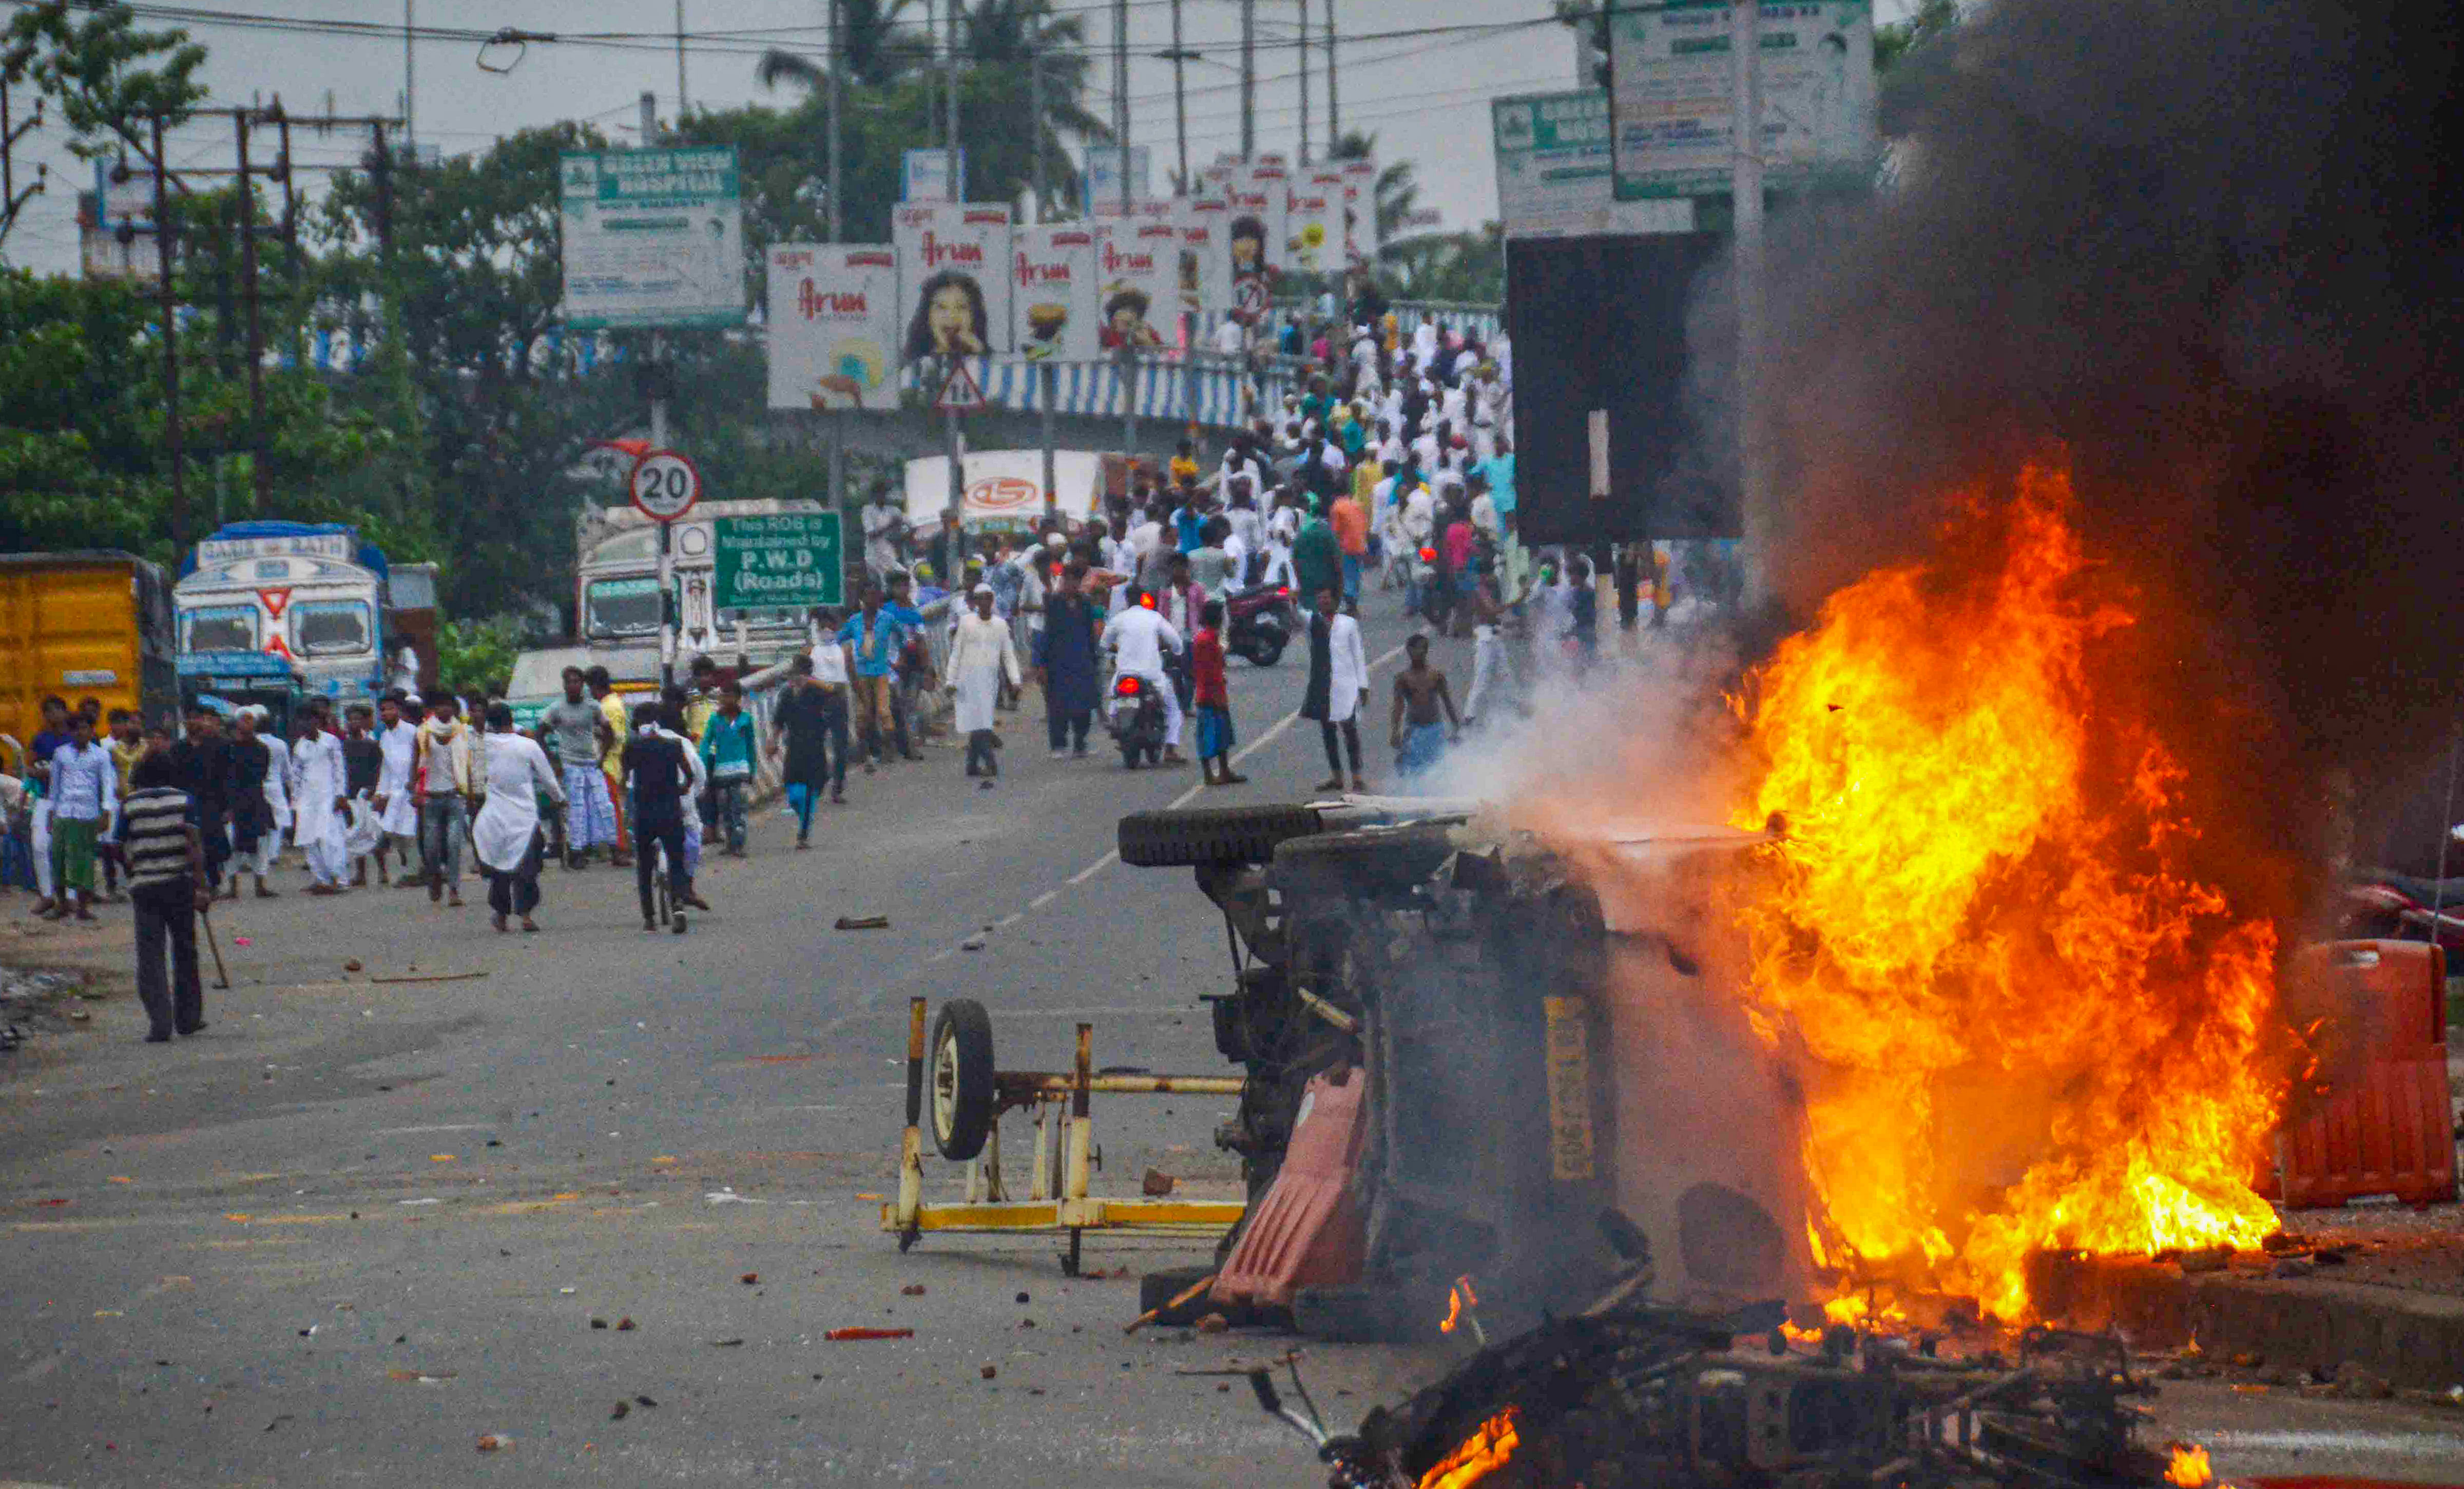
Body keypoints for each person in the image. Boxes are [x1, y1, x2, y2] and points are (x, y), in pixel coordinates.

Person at [117, 751, 211, 1041]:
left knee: (150, 956)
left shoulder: (130, 804)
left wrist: (133, 872)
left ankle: (160, 1022)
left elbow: (121, 846)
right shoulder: (184, 801)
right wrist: (201, 886)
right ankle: (188, 1019)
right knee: (185, 951)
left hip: (145, 888)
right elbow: (194, 846)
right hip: (179, 885)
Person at [473, 701, 564, 934]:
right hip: (524, 817)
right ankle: (525, 915)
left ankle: (501, 915)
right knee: (527, 868)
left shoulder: (484, 745)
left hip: (494, 816)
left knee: (501, 867)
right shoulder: (528, 746)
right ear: (511, 720)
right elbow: (549, 779)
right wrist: (560, 799)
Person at [620, 700, 696, 932]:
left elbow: (624, 779)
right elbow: (689, 776)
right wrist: (681, 788)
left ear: (636, 724)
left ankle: (649, 918)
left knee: (644, 864)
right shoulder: (673, 745)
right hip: (670, 812)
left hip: (644, 814)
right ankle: (679, 907)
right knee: (676, 860)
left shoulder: (632, 747)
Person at [769, 651, 849, 846]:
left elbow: (836, 692)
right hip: (794, 748)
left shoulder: (817, 692)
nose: (796, 677)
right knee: (792, 791)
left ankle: (803, 835)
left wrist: (813, 682)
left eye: (800, 673)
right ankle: (804, 817)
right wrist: (772, 740)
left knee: (809, 792)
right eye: (793, 673)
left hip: (815, 748)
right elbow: (779, 720)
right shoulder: (787, 694)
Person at [43, 710, 116, 921]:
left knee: (84, 859)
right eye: (76, 729)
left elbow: (108, 784)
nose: (80, 733)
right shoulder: (61, 754)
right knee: (58, 857)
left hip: (88, 814)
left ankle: (83, 908)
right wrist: (50, 812)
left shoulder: (101, 755)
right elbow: (54, 785)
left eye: (84, 728)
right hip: (63, 812)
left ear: (92, 731)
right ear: (71, 731)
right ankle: (62, 904)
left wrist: (106, 812)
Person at [1101, 588, 1188, 766]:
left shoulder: (1118, 619)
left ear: (1127, 601)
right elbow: (1176, 642)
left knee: (1114, 699)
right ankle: (1171, 749)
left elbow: (1103, 645)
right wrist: (1178, 652)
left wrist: (1114, 649)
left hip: (1124, 675)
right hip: (1152, 676)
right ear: (1144, 599)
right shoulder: (1155, 617)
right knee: (1173, 709)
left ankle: (1114, 721)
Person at [541, 667, 617, 868]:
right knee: (577, 809)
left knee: (604, 805)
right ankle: (577, 851)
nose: (574, 685)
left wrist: (602, 758)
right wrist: (553, 761)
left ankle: (614, 848)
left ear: (582, 685)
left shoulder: (593, 707)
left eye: (577, 682)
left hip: (592, 763)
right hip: (570, 764)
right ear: (564, 685)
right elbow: (540, 733)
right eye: (570, 682)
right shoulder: (556, 709)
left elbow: (610, 733)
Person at [949, 584, 1023, 785]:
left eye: (988, 599)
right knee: (980, 724)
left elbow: (1008, 655)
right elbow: (956, 653)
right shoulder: (966, 623)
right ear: (975, 602)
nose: (984, 603)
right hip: (967, 681)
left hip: (990, 682)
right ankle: (991, 763)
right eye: (980, 599)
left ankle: (972, 766)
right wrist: (950, 681)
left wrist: (1015, 681)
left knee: (980, 723)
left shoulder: (1000, 625)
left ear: (992, 601)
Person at [1300, 586, 1371, 793]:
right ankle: (1337, 776)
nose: (1323, 602)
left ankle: (1357, 777)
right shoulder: (1311, 622)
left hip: (1345, 684)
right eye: (1319, 599)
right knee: (1328, 732)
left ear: (1335, 601)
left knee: (1350, 731)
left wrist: (1363, 686)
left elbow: (1358, 655)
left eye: (1326, 598)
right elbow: (1293, 610)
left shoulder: (1349, 624)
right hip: (1322, 684)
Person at [1035, 560, 1104, 757]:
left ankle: (1080, 743)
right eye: (1068, 580)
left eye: (1075, 580)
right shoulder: (1055, 604)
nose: (1071, 584)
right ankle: (1058, 745)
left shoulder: (1085, 604)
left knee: (1084, 705)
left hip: (1082, 661)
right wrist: (1041, 664)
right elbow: (1046, 634)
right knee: (1058, 706)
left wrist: (1093, 658)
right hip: (1058, 663)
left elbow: (1090, 634)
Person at [413, 694, 476, 908]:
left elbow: (466, 764)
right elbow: (416, 762)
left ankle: (454, 890)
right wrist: (414, 789)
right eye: (440, 705)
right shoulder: (423, 733)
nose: (445, 710)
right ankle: (435, 878)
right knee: (431, 847)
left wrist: (470, 793)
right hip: (431, 797)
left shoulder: (461, 733)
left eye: (449, 706)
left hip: (454, 796)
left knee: (454, 845)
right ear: (433, 709)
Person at [838, 585, 909, 771]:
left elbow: (903, 637)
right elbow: (839, 639)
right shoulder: (855, 621)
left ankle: (888, 749)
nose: (871, 601)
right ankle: (865, 751)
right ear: (862, 599)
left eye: (874, 596)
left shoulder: (887, 619)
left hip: (881, 672)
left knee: (884, 711)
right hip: (861, 673)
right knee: (863, 714)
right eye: (867, 596)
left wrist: (899, 660)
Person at [166, 704, 234, 895]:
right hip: (185, 803)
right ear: (185, 722)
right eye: (190, 719)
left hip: (211, 802)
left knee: (212, 844)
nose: (194, 722)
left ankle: (214, 882)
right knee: (186, 843)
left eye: (198, 718)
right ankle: (191, 883)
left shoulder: (218, 746)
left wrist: (227, 807)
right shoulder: (178, 749)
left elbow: (226, 777)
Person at [290, 709, 350, 896]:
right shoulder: (299, 747)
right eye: (301, 721)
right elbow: (296, 776)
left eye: (308, 720)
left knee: (330, 838)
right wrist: (295, 801)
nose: (304, 725)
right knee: (308, 839)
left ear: (316, 721)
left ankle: (340, 880)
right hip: (307, 799)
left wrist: (341, 794)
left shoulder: (331, 741)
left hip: (329, 795)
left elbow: (339, 769)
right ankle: (321, 879)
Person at [224, 708, 280, 901]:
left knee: (260, 844)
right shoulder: (228, 748)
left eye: (251, 720)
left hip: (255, 800)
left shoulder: (262, 748)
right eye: (244, 720)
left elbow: (263, 774)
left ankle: (260, 885)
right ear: (237, 723)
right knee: (233, 846)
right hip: (234, 802)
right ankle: (232, 888)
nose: (247, 723)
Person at [1390, 634, 1462, 780]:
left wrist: (1457, 727)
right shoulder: (1402, 679)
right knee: (1409, 768)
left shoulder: (1437, 676)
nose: (1422, 652)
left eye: (1425, 648)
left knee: (1438, 768)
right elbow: (1398, 706)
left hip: (1435, 729)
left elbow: (1447, 702)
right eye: (1418, 648)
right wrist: (1395, 731)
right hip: (1414, 730)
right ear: (1409, 651)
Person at [1190, 599, 1247, 787]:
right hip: (1210, 694)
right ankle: (1209, 774)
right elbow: (1208, 672)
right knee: (1208, 735)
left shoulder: (1209, 637)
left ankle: (1224, 771)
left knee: (1223, 734)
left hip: (1215, 691)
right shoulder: (1205, 640)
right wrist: (1216, 696)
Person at [698, 680, 759, 854]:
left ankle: (738, 844)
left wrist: (753, 770)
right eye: (724, 695)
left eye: (730, 695)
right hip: (721, 771)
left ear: (738, 698)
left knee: (738, 809)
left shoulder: (746, 719)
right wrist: (703, 766)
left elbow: (751, 747)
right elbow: (705, 744)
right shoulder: (715, 719)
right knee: (725, 809)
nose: (726, 699)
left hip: (741, 771)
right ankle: (730, 843)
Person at [587, 666, 633, 868]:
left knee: (612, 808)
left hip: (608, 763)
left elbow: (611, 736)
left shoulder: (609, 706)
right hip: (610, 761)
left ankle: (621, 849)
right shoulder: (611, 703)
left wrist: (600, 759)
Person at [373, 693, 422, 883]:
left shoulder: (412, 731)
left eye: (391, 709)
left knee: (409, 831)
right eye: (383, 710)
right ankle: (412, 868)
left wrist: (415, 780)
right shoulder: (384, 737)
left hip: (412, 787)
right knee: (392, 831)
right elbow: (386, 768)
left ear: (400, 711)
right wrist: (380, 793)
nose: (386, 713)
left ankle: (413, 873)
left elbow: (420, 758)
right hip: (394, 790)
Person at [340, 703, 387, 886]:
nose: (354, 723)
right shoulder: (343, 746)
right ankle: (361, 874)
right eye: (351, 720)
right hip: (350, 794)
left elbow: (379, 769)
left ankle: (383, 871)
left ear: (363, 722)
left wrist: (374, 789)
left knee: (372, 832)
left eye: (358, 720)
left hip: (367, 794)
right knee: (355, 833)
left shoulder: (372, 745)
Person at [903, 269, 991, 360]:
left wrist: (980, 355)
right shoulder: (910, 368)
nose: (952, 316)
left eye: (961, 307)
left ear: (974, 315)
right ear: (927, 315)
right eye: (941, 307)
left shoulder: (995, 368)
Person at [1292, 501, 1342, 613]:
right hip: (1327, 583)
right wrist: (1340, 584)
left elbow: (1294, 559)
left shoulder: (1302, 533)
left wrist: (1299, 578)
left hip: (1306, 582)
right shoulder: (1329, 534)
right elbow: (1337, 561)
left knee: (1308, 614)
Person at [1328, 485, 1370, 604]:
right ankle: (1354, 603)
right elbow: (1364, 525)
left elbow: (1335, 531)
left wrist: (1334, 549)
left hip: (1346, 547)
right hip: (1360, 545)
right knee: (1356, 575)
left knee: (1348, 577)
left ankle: (1351, 605)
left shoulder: (1337, 508)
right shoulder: (1357, 505)